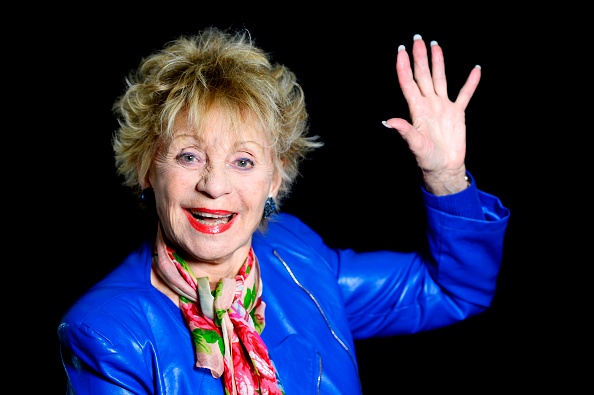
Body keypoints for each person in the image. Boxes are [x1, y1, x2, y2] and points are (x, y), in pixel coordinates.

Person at [57, 26, 510, 394]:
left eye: (243, 161)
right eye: (188, 156)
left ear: (275, 178)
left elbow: (452, 290)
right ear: (146, 169)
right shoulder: (107, 333)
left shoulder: (295, 254)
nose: (214, 186)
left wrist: (447, 178)